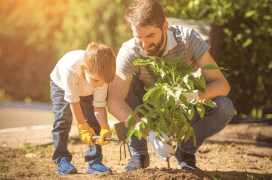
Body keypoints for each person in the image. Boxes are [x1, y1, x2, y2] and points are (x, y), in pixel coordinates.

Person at [108, 0, 234, 172]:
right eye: (139, 37)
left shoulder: (188, 39)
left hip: (184, 111)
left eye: (150, 36)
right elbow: (114, 101)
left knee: (225, 107)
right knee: (123, 87)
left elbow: (222, 85)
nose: (144, 44)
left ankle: (185, 152)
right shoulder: (129, 50)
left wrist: (193, 96)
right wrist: (151, 134)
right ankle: (139, 154)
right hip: (150, 113)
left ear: (165, 27)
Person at [50, 42, 116, 175]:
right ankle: (62, 159)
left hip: (87, 89)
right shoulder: (71, 69)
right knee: (63, 119)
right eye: (98, 81)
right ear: (83, 68)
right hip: (61, 86)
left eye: (104, 82)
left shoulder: (100, 77)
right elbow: (74, 102)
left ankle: (94, 161)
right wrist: (82, 127)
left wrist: (104, 126)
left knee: (94, 121)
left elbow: (99, 106)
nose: (101, 85)